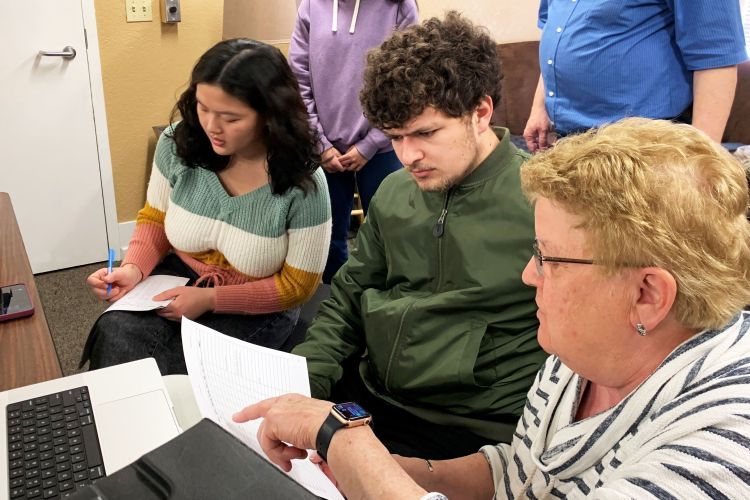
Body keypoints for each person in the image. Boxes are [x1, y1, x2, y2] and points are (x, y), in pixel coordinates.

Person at [235, 117, 750, 499]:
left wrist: (345, 441)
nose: (530, 274)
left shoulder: (722, 448)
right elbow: (521, 472)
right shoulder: (578, 356)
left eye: (548, 259)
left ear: (647, 295)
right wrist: (392, 472)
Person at [290, 12, 544, 459]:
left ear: (480, 112)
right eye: (395, 137)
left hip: (470, 426)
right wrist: (304, 381)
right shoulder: (393, 192)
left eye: (425, 133)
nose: (408, 155)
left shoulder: (543, 203)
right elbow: (350, 295)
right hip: (371, 393)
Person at [82, 39, 332, 375]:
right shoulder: (178, 144)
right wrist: (133, 269)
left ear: (271, 115)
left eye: (230, 117)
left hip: (260, 303)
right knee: (115, 336)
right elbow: (155, 220)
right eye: (202, 108)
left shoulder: (304, 183)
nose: (211, 126)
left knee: (188, 369)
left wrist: (213, 301)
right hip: (179, 277)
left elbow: (297, 287)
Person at [289, 0, 419, 283]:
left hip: (382, 148)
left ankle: (388, 308)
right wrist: (320, 144)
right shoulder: (311, 6)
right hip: (323, 150)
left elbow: (408, 83)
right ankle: (336, 310)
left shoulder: (399, 7)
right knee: (327, 244)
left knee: (392, 238)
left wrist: (370, 143)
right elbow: (298, 81)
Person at [524, 0, 748, 151]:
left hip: (644, 148)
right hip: (566, 141)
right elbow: (554, 31)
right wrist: (539, 107)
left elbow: (716, 58)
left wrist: (700, 160)